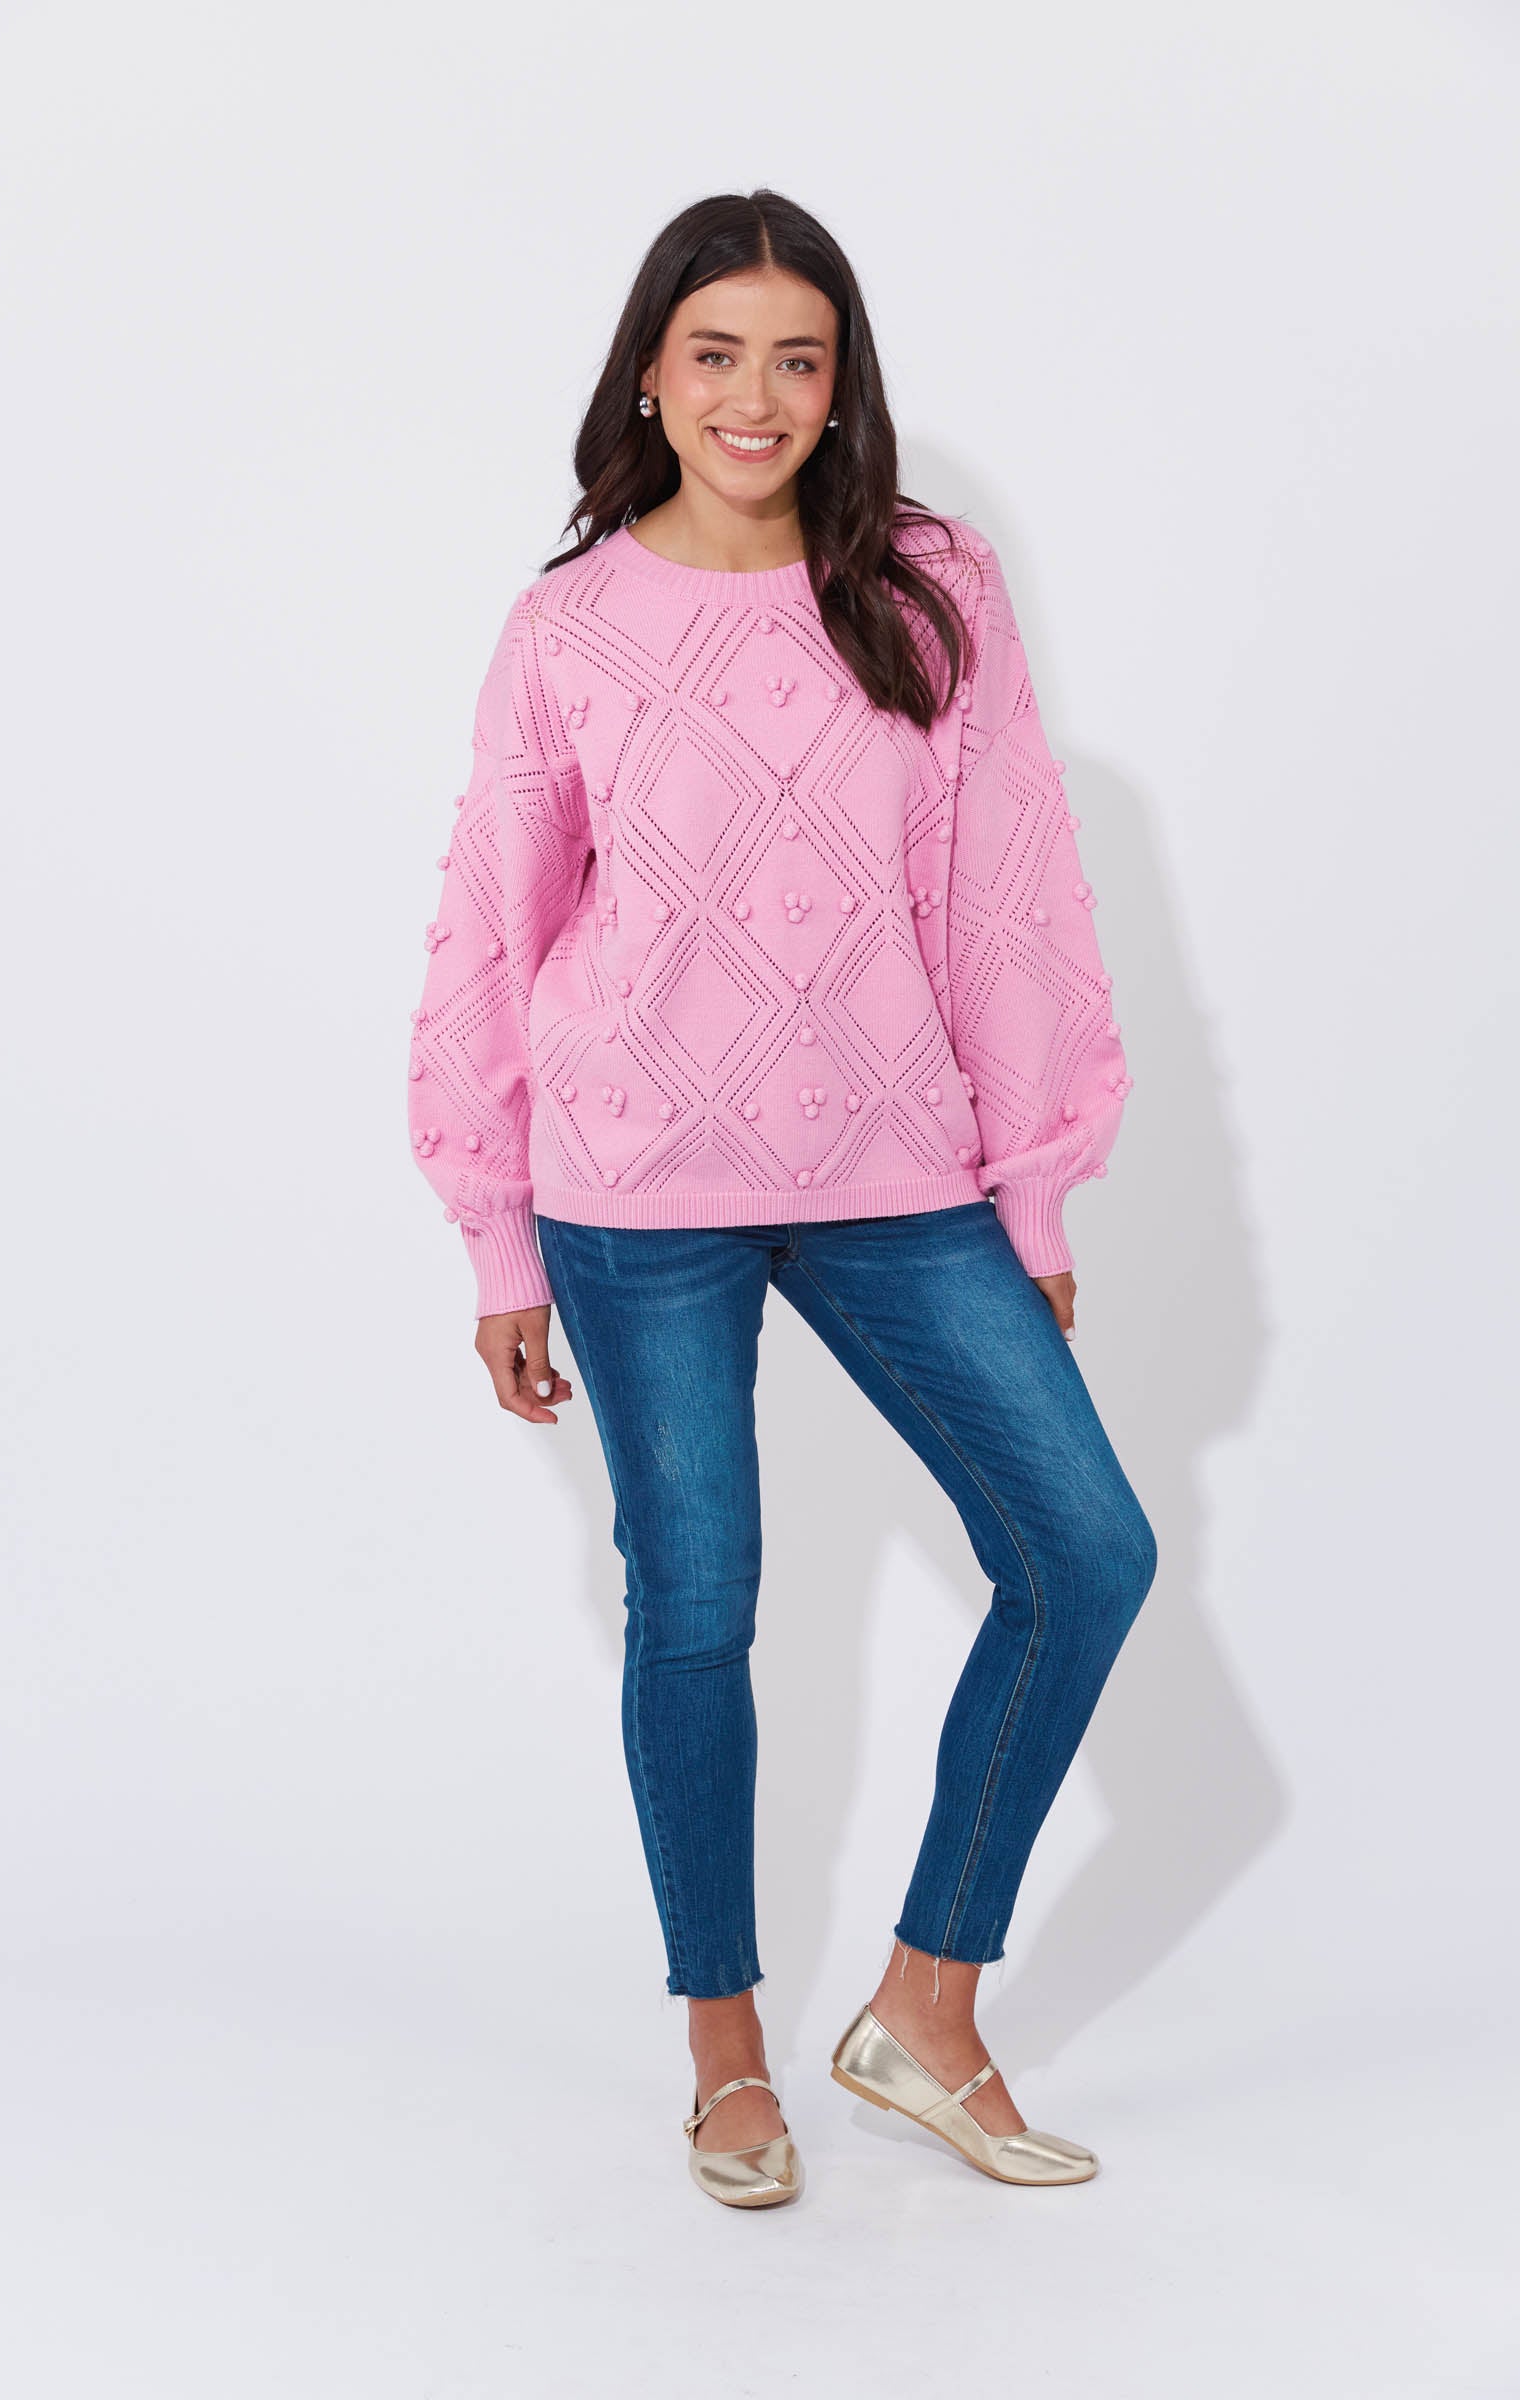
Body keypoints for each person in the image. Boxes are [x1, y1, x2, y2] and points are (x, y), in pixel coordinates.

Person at [406, 188, 1157, 2211]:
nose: (756, 395)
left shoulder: (927, 584)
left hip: (894, 1167)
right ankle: (724, 2053)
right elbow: (493, 931)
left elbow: (1002, 893)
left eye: (796, 358)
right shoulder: (567, 628)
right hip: (631, 1181)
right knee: (698, 1602)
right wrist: (495, 1231)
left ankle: (925, 2010)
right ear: (650, 376)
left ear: (841, 388)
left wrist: (1032, 1192)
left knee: (1085, 1551)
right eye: (716, 352)